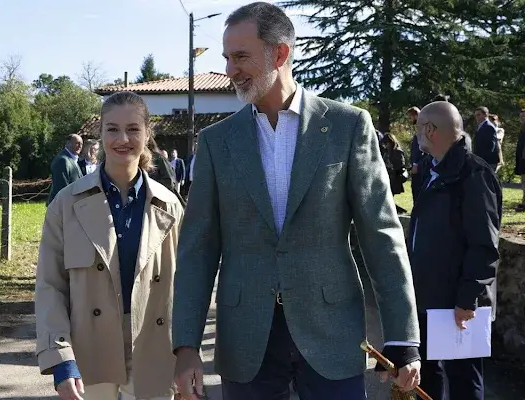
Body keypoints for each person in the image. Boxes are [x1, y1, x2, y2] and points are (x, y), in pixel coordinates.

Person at [172, 3, 421, 400]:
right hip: (245, 340)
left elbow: (381, 235)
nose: (231, 69)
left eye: (241, 57)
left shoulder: (348, 126)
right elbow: (197, 250)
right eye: (227, 58)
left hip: (332, 335)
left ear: (280, 54)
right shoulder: (217, 142)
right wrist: (186, 347)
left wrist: (403, 339)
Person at [35, 91, 184, 400]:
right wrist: (60, 358)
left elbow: (187, 289)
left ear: (147, 134)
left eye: (133, 129)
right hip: (89, 354)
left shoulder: (170, 206)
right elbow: (50, 286)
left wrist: (187, 354)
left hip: (155, 352)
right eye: (112, 129)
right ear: (100, 134)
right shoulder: (65, 205)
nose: (123, 138)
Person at [410, 101, 501, 400]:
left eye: (419, 128)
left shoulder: (474, 174)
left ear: (431, 130)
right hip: (430, 297)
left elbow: (484, 245)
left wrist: (467, 300)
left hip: (460, 306)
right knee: (428, 374)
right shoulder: (429, 169)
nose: (417, 135)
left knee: (463, 380)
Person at [47, 134, 83, 205]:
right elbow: (62, 187)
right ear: (68, 143)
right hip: (62, 206)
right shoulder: (62, 160)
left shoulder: (73, 159)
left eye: (81, 144)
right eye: (77, 143)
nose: (80, 146)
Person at [407, 107, 429, 201]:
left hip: (421, 166)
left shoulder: (422, 126)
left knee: (419, 192)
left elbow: (422, 147)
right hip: (417, 165)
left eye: (410, 117)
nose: (410, 119)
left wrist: (416, 164)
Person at [473, 106, 500, 171]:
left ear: (486, 115)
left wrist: (482, 160)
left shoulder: (489, 127)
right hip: (481, 161)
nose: (477, 117)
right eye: (475, 115)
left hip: (488, 161)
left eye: (479, 115)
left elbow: (491, 146)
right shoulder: (481, 126)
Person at [515, 109, 525, 211]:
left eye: (524, 117)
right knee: (523, 182)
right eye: (521, 117)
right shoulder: (522, 129)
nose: (522, 119)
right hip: (522, 160)